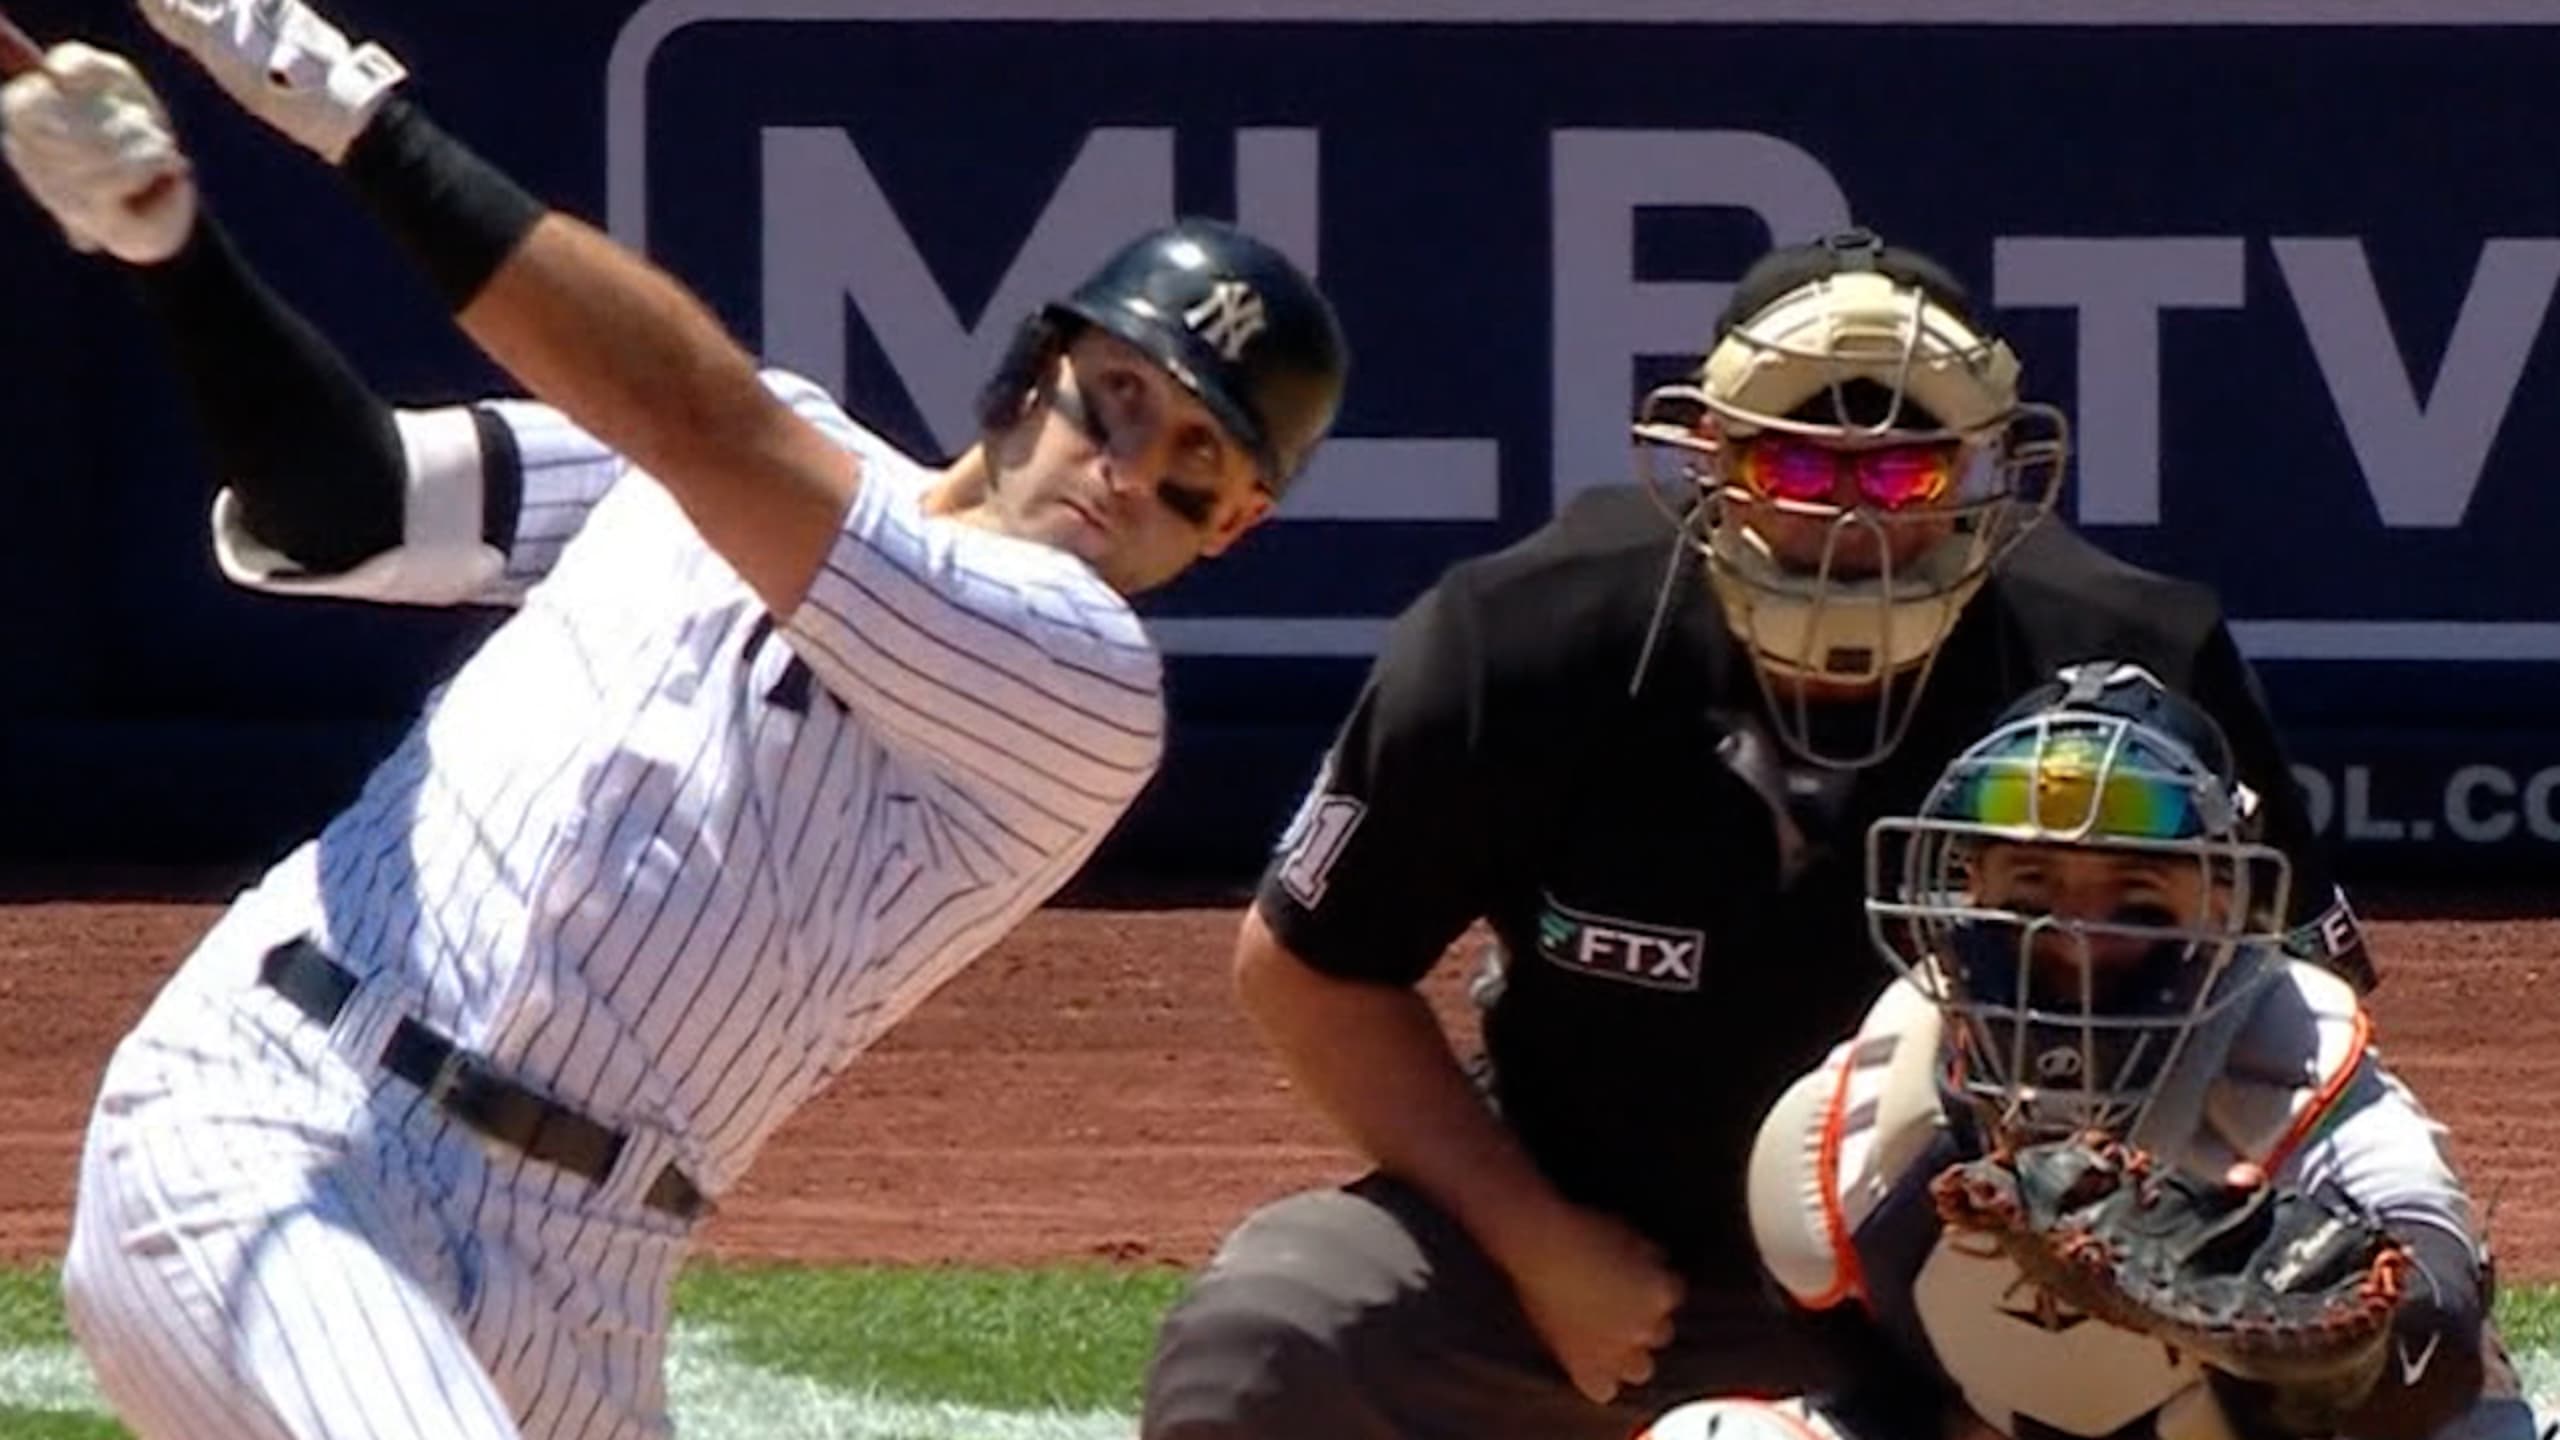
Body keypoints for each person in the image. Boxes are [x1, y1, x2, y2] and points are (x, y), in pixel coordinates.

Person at [0, 5, 1346, 1435]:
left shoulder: (1081, 689)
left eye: (1197, 450)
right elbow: (343, 506)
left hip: (589, 1273)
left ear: (1241, 518)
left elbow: (706, 427)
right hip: (279, 1105)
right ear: (1039, 363)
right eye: (1120, 395)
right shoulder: (743, 446)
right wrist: (168, 251)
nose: (1129, 466)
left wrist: (361, 122)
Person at [1140, 228, 2380, 1438]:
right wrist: (1536, 1243)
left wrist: (2128, 1279)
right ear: (1714, 457)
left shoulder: (2125, 666)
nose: (1853, 524)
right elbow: (1307, 965)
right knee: (1269, 1342)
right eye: (1800, 471)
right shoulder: (1521, 636)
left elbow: (2303, 1011)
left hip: (2001, 1285)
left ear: (1985, 470)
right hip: (1587, 1251)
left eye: (1905, 476)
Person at [1640, 659, 2535, 1440]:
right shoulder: (1870, 1118)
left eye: (2137, 899)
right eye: (2029, 892)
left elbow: (2442, 1353)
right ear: (1965, 889)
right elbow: (1879, 1389)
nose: (2073, 935)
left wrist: (2332, 1347)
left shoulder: (2294, 1054)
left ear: (2221, 906)